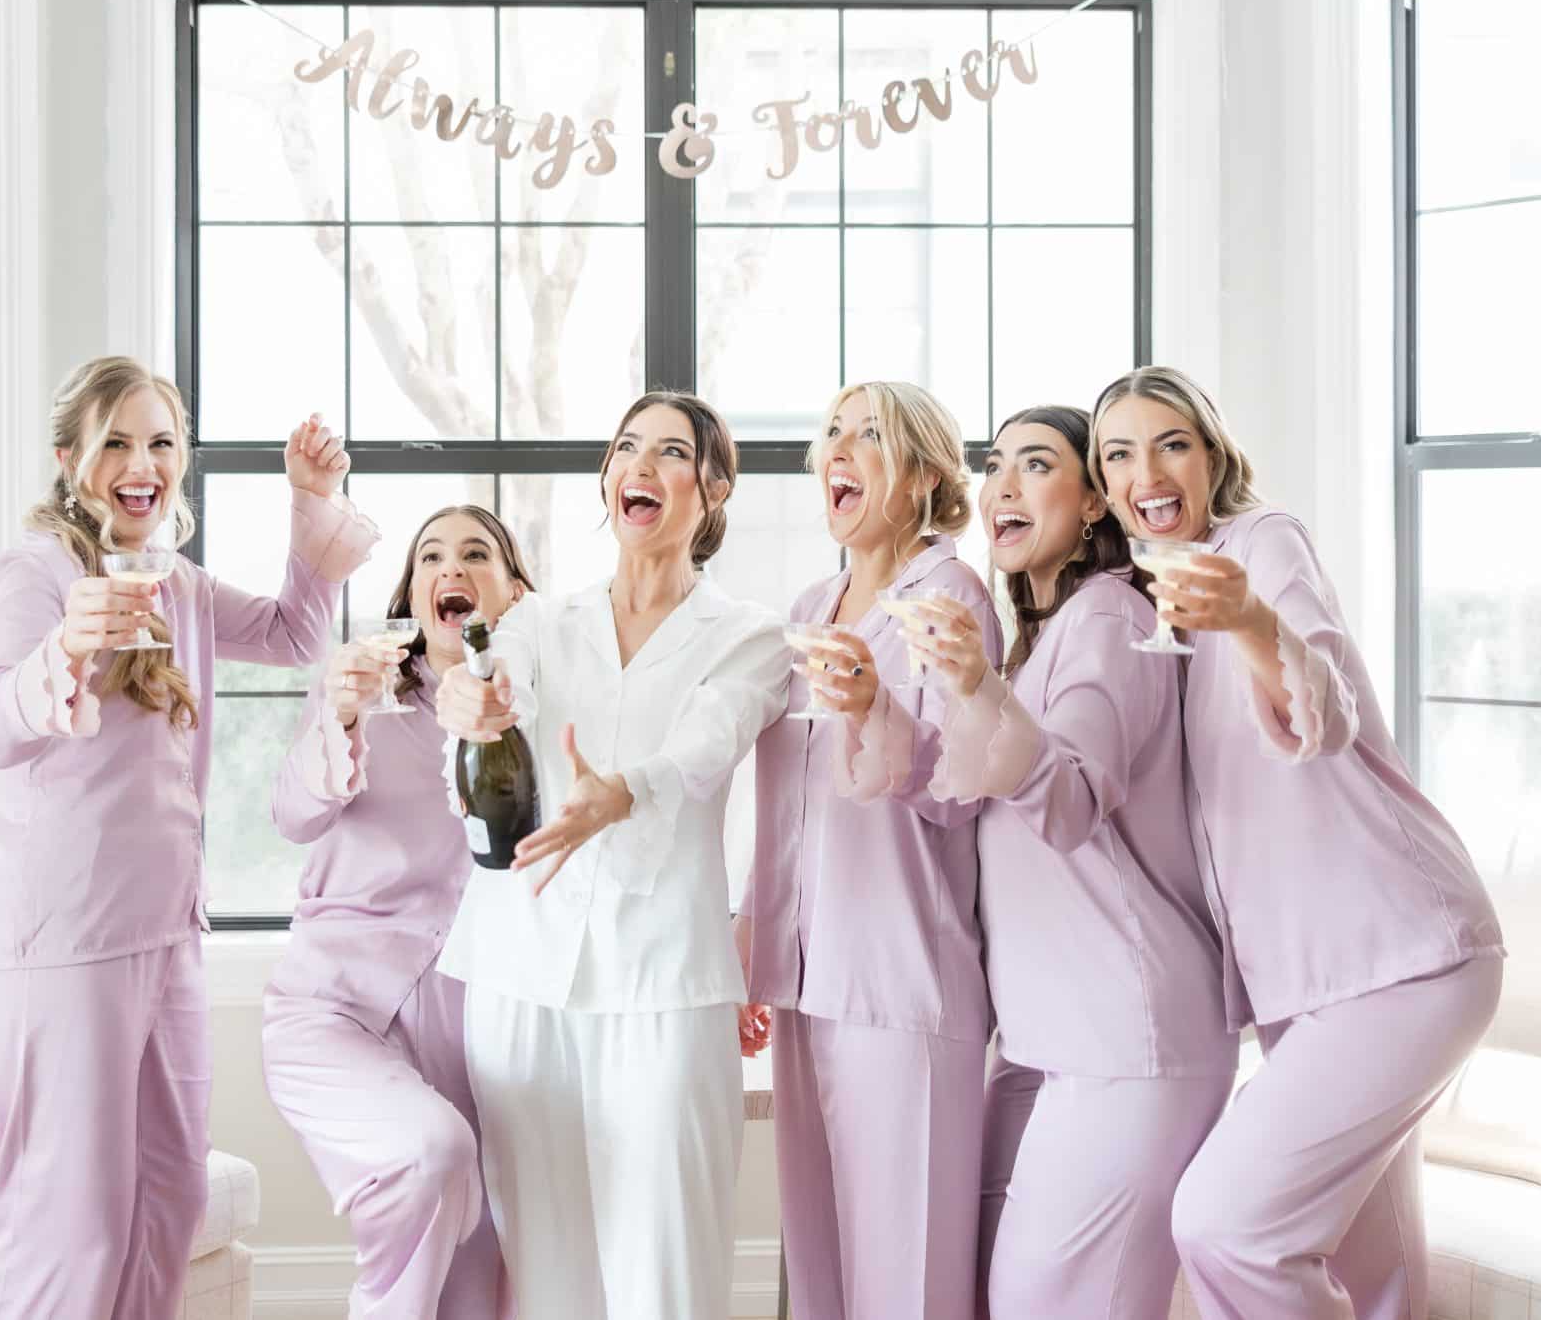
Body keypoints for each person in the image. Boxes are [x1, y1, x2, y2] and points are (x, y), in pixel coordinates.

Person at [1091, 365, 1504, 1319]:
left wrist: (1246, 615)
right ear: (1105, 484)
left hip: (1403, 955)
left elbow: (1322, 701)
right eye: (1119, 453)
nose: (1146, 470)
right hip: (1305, 984)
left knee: (1225, 1224)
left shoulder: (1258, 544)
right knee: (1376, 1273)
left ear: (1212, 456)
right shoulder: (1143, 601)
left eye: (1172, 443)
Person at [0, 356, 372, 1317]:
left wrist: (311, 502)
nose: (141, 463)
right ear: (69, 458)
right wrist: (67, 643)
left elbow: (288, 634)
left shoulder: (176, 583)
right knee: (69, 1226)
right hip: (61, 946)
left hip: (163, 937)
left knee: (170, 1199)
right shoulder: (36, 575)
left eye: (160, 443)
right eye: (116, 441)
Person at [433, 391, 789, 1320]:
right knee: (546, 1272)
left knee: (665, 1268)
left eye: (670, 451)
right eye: (625, 447)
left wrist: (625, 789)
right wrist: (467, 709)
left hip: (666, 982)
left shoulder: (750, 634)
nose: (639, 464)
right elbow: (486, 689)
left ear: (711, 490)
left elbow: (714, 740)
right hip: (520, 976)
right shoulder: (541, 621)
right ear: (606, 478)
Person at [887, 405, 1235, 1317]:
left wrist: (975, 686)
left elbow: (1073, 797)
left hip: (1128, 1036)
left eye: (1034, 464)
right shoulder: (1042, 634)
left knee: (1045, 1301)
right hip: (1049, 1037)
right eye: (994, 463)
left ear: (1091, 504)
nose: (1001, 483)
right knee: (984, 1284)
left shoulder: (1110, 617)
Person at [741, 380, 999, 1318]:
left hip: (902, 976)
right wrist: (755, 941)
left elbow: (960, 782)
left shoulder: (952, 593)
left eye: (869, 436)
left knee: (906, 1280)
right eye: (831, 433)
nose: (837, 450)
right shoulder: (816, 599)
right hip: (810, 977)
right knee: (820, 1274)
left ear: (925, 474)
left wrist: (873, 708)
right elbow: (786, 799)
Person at [262, 505, 534, 1320]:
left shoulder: (538, 712)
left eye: (476, 553)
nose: (451, 568)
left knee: (480, 1278)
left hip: (471, 1035)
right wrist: (338, 714)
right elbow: (290, 815)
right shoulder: (365, 690)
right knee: (430, 1152)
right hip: (332, 1011)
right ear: (414, 595)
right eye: (431, 558)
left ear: (515, 594)